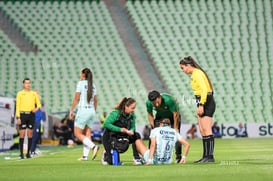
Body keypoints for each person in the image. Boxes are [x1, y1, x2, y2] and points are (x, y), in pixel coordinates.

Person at [179, 56, 216, 163]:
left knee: (206, 129)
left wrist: (201, 104)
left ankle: (209, 157)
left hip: (206, 101)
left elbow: (204, 90)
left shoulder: (197, 73)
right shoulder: (196, 73)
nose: (183, 70)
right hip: (202, 101)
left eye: (183, 68)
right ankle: (206, 156)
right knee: (202, 130)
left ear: (188, 65)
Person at [69, 68, 99, 161]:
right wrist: (93, 111)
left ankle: (94, 147)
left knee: (77, 133)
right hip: (91, 111)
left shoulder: (80, 84)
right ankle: (85, 156)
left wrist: (71, 110)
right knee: (87, 133)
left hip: (83, 110)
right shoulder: (93, 85)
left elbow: (76, 98)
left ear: (83, 75)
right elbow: (95, 100)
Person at [102, 97, 142, 165]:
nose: (133, 110)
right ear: (126, 106)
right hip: (110, 136)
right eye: (132, 108)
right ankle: (106, 154)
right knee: (111, 162)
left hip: (123, 134)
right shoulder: (116, 113)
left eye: (134, 108)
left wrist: (132, 131)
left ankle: (137, 158)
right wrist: (120, 129)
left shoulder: (132, 115)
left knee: (136, 135)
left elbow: (133, 126)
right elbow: (106, 124)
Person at [146, 90, 182, 163]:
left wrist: (175, 128)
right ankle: (150, 157)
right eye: (154, 103)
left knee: (176, 137)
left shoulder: (169, 100)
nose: (156, 105)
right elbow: (150, 114)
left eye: (157, 102)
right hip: (160, 118)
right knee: (152, 136)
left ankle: (178, 157)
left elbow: (175, 114)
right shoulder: (149, 103)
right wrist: (153, 127)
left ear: (160, 97)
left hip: (172, 118)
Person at [16, 78, 41, 159]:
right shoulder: (20, 93)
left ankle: (28, 153)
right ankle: (21, 154)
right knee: (22, 134)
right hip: (22, 115)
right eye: (26, 83)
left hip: (31, 115)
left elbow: (39, 104)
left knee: (30, 134)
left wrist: (36, 109)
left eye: (29, 83)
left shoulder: (33, 94)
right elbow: (17, 106)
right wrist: (18, 117)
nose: (28, 84)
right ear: (23, 84)